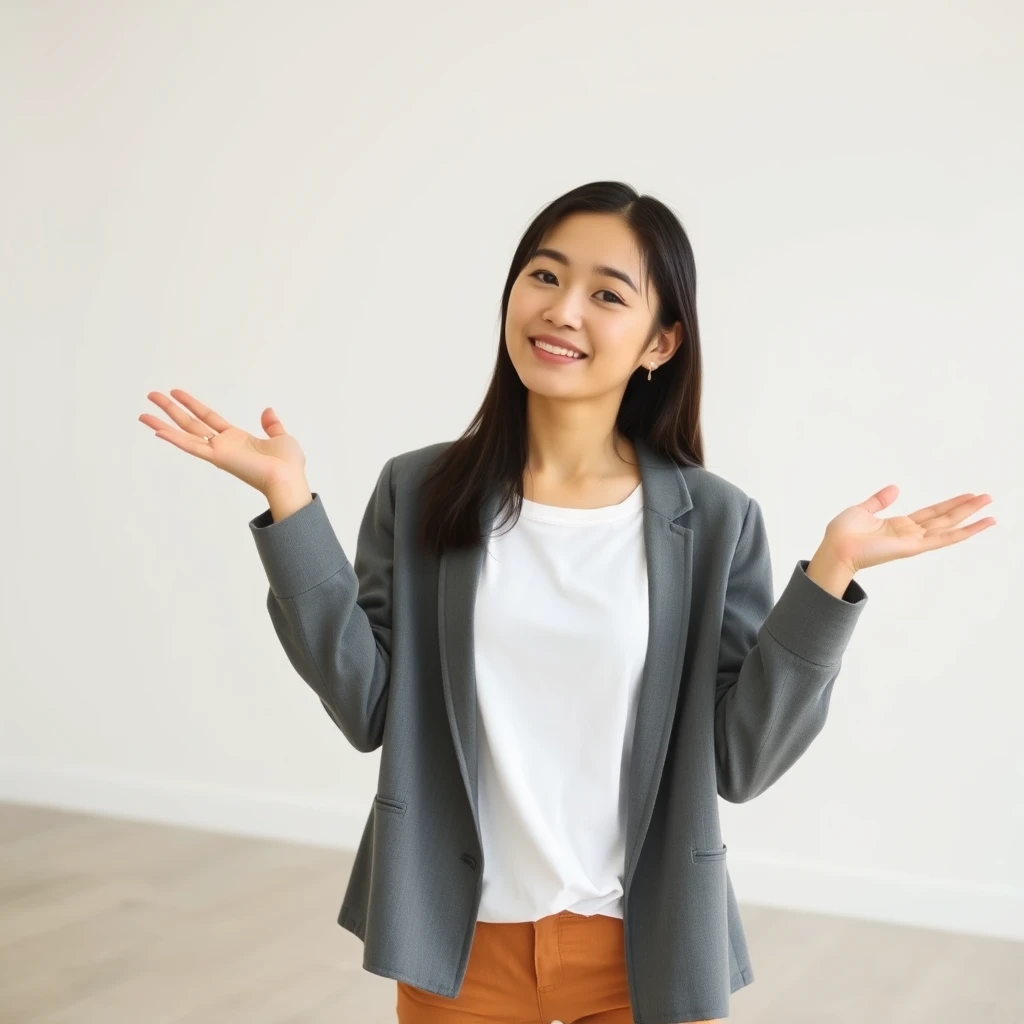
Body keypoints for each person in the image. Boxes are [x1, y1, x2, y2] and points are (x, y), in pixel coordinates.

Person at [139, 180, 995, 1024]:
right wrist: (290, 502)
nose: (562, 309)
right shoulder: (421, 489)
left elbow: (741, 761)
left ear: (660, 343)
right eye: (544, 276)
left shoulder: (717, 522)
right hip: (459, 944)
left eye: (606, 293)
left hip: (645, 950)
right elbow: (368, 705)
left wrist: (832, 572)